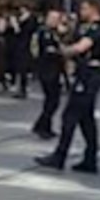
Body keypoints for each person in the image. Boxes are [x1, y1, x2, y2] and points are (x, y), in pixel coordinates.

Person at [34, 0, 100, 174]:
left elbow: (80, 48)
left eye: (84, 8)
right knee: (86, 120)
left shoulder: (97, 29)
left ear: (94, 9)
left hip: (88, 76)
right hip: (88, 75)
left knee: (70, 116)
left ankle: (60, 156)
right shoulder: (89, 28)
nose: (81, 11)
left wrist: (62, 51)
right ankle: (90, 159)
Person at [30, 8, 64, 140]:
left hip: (54, 69)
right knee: (52, 101)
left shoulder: (53, 32)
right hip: (47, 69)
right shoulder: (44, 32)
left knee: (52, 101)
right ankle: (42, 126)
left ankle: (43, 125)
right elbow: (48, 50)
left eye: (57, 19)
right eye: (53, 19)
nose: (55, 21)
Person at [12, 6, 37, 99]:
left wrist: (16, 25)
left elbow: (20, 32)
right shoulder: (27, 20)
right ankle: (21, 89)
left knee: (22, 68)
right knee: (21, 68)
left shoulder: (29, 21)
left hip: (24, 46)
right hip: (23, 46)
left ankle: (23, 90)